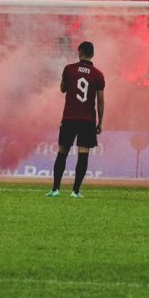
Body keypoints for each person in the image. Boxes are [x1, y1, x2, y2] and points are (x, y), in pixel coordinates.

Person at [46, 41, 105, 198]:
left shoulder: (69, 69)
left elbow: (62, 89)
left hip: (70, 118)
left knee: (62, 151)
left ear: (79, 52)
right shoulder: (98, 74)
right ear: (92, 54)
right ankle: (76, 191)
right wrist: (100, 122)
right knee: (83, 153)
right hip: (87, 120)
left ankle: (55, 190)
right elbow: (100, 101)